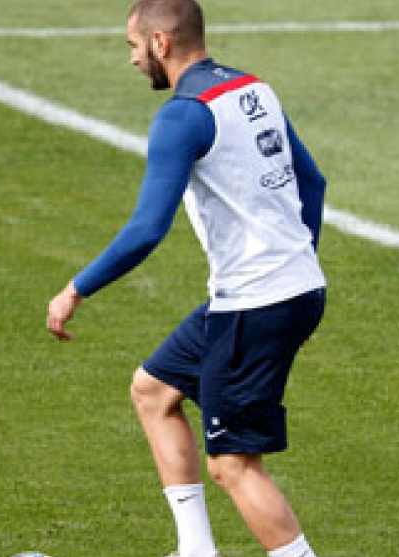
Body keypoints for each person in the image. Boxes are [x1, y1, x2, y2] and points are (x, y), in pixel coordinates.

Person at [46, 1, 328, 556]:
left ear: (161, 43)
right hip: (286, 289)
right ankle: (196, 550)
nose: (133, 59)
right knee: (153, 390)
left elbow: (147, 229)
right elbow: (312, 181)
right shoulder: (254, 90)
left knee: (233, 465)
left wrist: (76, 288)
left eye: (133, 46)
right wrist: (296, 272)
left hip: (254, 300)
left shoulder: (182, 116)